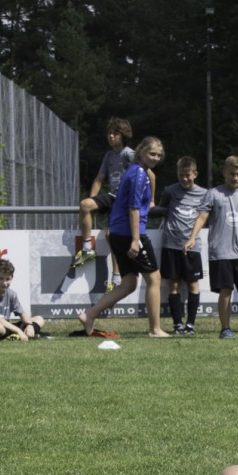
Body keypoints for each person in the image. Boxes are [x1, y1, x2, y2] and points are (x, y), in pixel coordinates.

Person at [80, 137, 168, 338]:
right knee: (154, 278)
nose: (155, 158)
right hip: (129, 234)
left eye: (158, 155)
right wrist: (136, 240)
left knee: (129, 283)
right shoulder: (138, 174)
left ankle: (89, 315)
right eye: (152, 154)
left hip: (118, 233)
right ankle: (155, 329)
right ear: (141, 151)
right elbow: (133, 208)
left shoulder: (135, 170)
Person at [186, 156, 238, 339]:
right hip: (220, 252)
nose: (235, 178)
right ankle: (225, 329)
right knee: (226, 289)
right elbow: (202, 217)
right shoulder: (213, 194)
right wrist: (192, 237)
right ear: (224, 173)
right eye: (232, 174)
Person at [73, 118, 136, 274]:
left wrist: (151, 199)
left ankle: (116, 276)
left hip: (124, 201)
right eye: (109, 133)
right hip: (112, 196)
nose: (111, 136)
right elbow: (99, 178)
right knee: (85, 205)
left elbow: (148, 174)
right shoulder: (109, 155)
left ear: (124, 136)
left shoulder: (129, 154)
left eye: (115, 133)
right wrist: (93, 199)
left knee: (111, 235)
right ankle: (87, 249)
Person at [159, 157, 208, 335]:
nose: (184, 179)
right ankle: (178, 324)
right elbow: (161, 209)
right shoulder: (169, 191)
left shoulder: (204, 194)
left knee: (193, 284)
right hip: (171, 244)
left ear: (195, 174)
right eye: (181, 175)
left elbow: (205, 216)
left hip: (192, 247)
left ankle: (190, 325)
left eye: (188, 175)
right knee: (173, 285)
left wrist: (192, 238)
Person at [0, 258, 47, 340]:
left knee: (39, 319)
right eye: (1, 279)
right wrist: (18, 330)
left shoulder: (12, 294)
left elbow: (22, 314)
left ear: (12, 278)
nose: (4, 283)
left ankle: (16, 335)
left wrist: (30, 325)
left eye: (7, 279)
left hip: (5, 327)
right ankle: (19, 334)